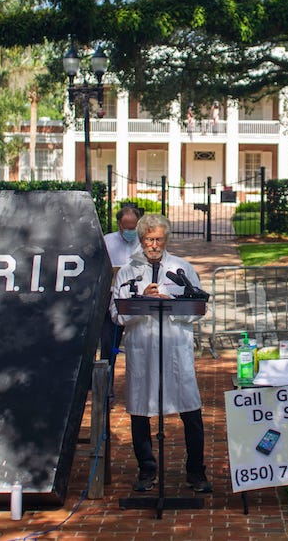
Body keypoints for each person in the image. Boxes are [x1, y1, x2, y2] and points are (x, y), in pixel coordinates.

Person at [112, 213, 212, 493]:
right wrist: (141, 298)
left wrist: (172, 302)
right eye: (148, 239)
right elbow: (115, 314)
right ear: (141, 240)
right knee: (140, 411)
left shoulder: (181, 268)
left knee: (191, 411)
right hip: (142, 348)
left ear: (166, 240)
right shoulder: (127, 271)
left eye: (158, 239)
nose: (153, 244)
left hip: (174, 350)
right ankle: (147, 470)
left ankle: (196, 471)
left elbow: (199, 309)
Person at [100, 205, 143, 371]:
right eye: (127, 228)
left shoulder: (144, 242)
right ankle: (106, 388)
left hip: (138, 300)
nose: (131, 231)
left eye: (134, 227)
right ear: (119, 225)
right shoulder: (108, 241)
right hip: (113, 300)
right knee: (109, 345)